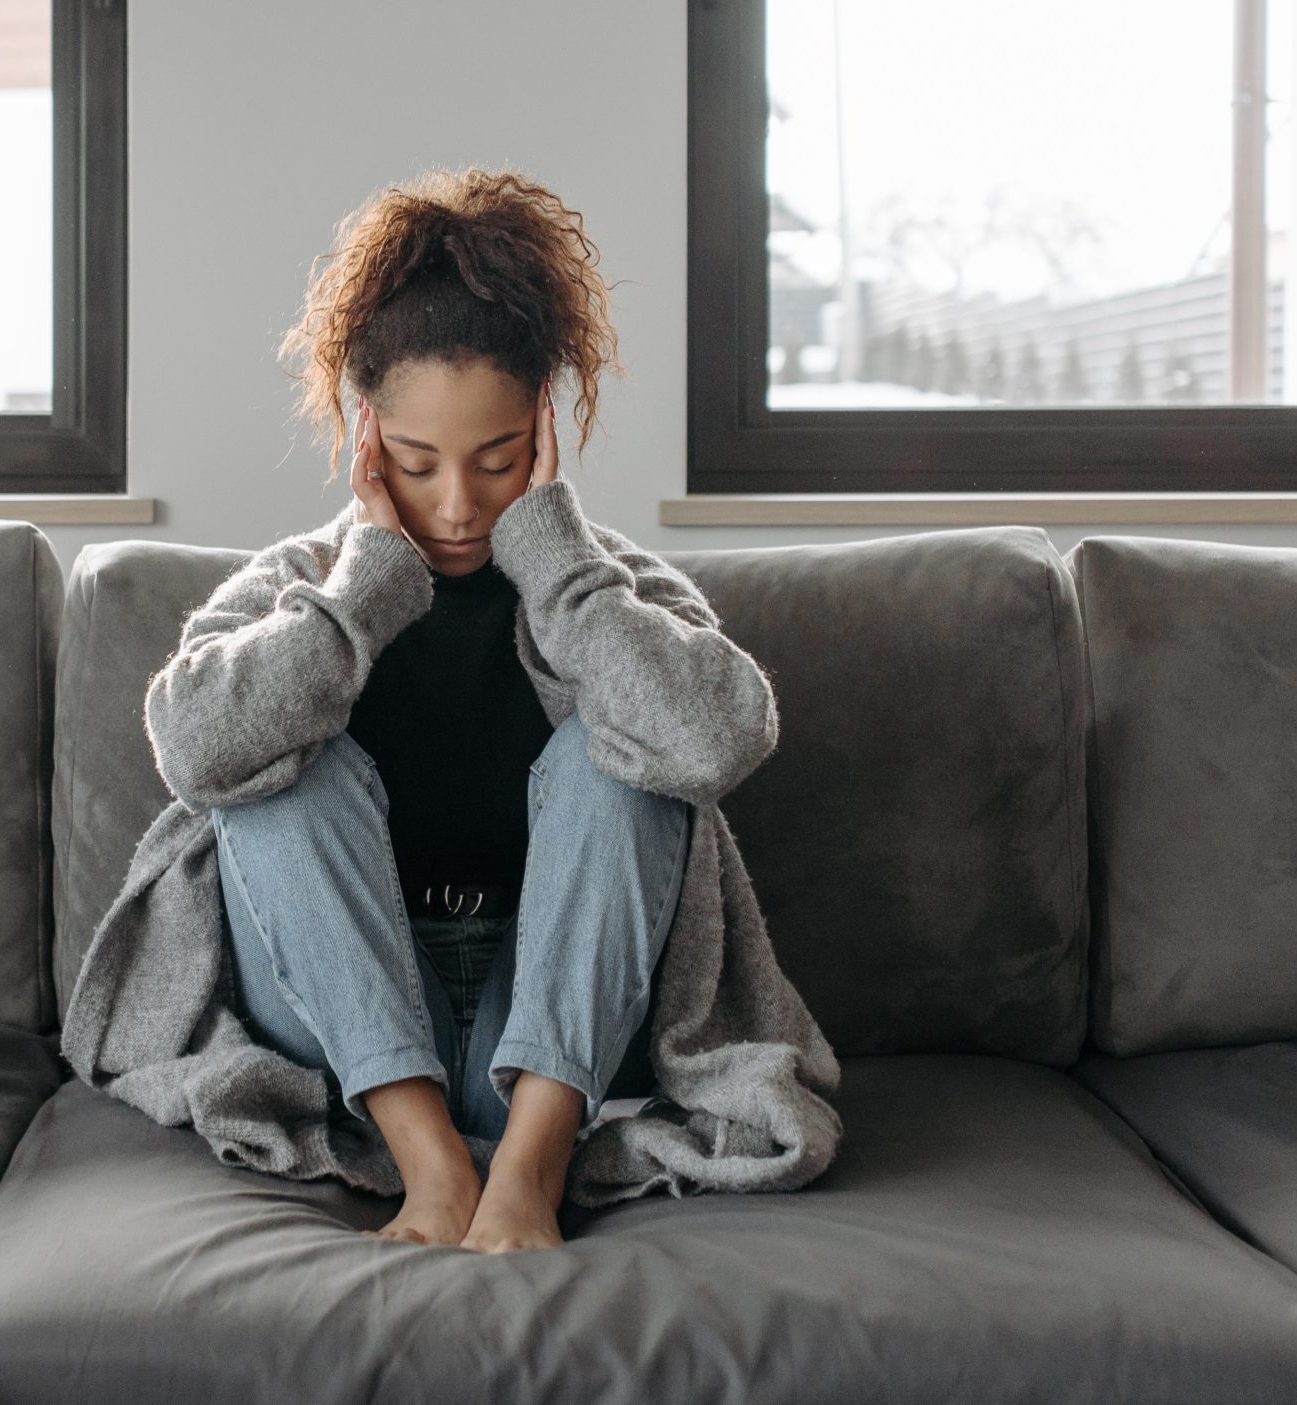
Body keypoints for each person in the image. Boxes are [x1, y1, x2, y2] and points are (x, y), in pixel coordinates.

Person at [58, 168, 842, 1255]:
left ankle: (524, 1169)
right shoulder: (303, 583)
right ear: (364, 432)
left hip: (565, 1031)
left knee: (622, 754)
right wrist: (359, 597)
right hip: (351, 1034)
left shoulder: (605, 590)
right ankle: (430, 1166)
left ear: (545, 433)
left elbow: (717, 737)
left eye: (499, 460)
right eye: (419, 464)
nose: (460, 504)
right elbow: (194, 748)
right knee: (281, 771)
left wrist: (562, 569)